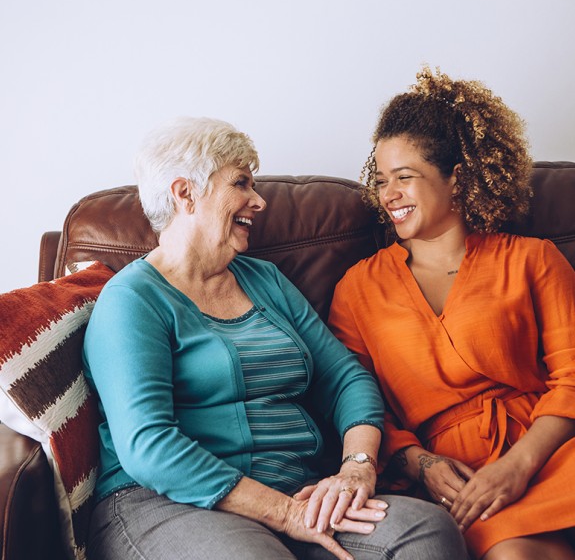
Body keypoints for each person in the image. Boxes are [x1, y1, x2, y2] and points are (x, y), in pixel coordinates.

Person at [82, 116, 467, 560]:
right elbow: (148, 446)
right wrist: (283, 513)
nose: (258, 201)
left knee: (424, 532)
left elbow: (345, 378)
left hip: (297, 491)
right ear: (185, 193)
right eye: (241, 183)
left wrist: (355, 469)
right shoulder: (133, 301)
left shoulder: (264, 279)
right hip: (167, 503)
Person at [328, 66, 575, 560]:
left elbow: (572, 378)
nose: (389, 193)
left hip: (548, 451)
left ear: (456, 178)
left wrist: (519, 464)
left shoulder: (532, 258)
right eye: (381, 180)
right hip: (451, 477)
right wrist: (420, 464)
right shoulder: (357, 289)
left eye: (405, 177)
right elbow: (357, 401)